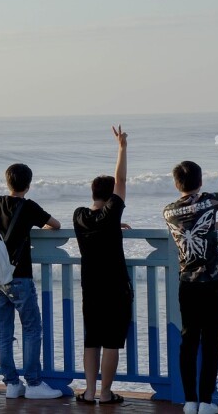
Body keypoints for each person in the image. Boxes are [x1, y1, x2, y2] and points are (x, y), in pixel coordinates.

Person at [0, 158, 63, 399]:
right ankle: (34, 384)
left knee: (4, 330)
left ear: (7, 183)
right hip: (21, 278)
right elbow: (56, 225)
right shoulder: (29, 207)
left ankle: (12, 384)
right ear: (28, 185)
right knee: (31, 329)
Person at [163, 161, 218, 414]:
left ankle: (190, 401)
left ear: (176, 183)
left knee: (188, 342)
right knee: (212, 343)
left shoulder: (168, 211)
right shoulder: (209, 200)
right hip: (212, 282)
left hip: (187, 284)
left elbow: (192, 229)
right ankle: (207, 402)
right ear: (200, 182)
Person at [73, 125, 133, 405]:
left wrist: (114, 225)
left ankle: (87, 391)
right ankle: (106, 393)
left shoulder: (79, 216)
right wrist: (121, 147)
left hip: (91, 286)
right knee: (111, 342)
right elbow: (120, 180)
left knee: (92, 340)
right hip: (116, 286)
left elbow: (99, 222)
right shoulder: (111, 213)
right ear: (111, 197)